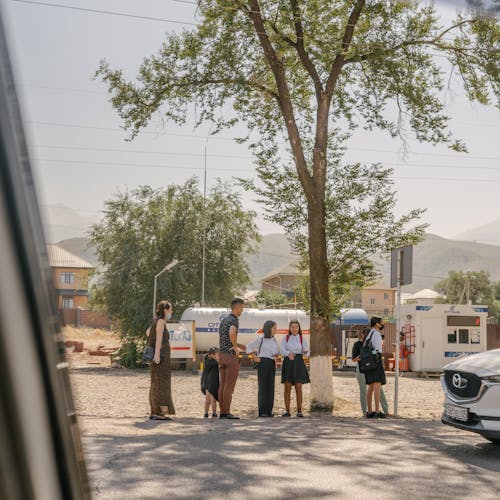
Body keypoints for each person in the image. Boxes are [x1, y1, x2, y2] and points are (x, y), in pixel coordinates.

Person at [218, 297, 247, 419]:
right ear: (236, 307)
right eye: (242, 308)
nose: (242, 310)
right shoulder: (234, 320)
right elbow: (231, 333)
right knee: (229, 386)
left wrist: (239, 345)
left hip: (222, 355)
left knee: (223, 385)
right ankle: (226, 412)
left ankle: (222, 411)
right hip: (231, 357)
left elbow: (226, 338)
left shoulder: (224, 320)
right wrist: (236, 347)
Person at [147, 300, 175, 420]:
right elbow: (158, 339)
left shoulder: (156, 321)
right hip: (161, 357)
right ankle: (159, 412)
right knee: (161, 384)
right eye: (170, 310)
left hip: (158, 357)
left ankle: (154, 411)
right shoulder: (161, 322)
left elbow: (148, 333)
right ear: (165, 310)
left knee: (155, 382)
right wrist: (157, 354)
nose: (171, 312)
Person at [352, 327, 388, 418]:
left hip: (372, 369)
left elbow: (377, 353)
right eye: (366, 335)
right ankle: (366, 411)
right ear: (362, 335)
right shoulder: (357, 344)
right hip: (361, 369)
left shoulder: (371, 344)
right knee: (363, 390)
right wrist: (363, 357)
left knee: (379, 390)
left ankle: (385, 410)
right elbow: (354, 359)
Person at [247, 320, 279, 417]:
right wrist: (255, 356)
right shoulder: (260, 339)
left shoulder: (274, 340)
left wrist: (276, 355)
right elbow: (249, 347)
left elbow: (274, 352)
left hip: (271, 363)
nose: (276, 331)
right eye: (274, 328)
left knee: (270, 387)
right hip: (263, 363)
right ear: (269, 328)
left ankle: (269, 411)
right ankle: (262, 411)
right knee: (263, 387)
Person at [280, 320, 310, 417]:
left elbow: (307, 350)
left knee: (298, 387)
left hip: (298, 363)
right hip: (288, 362)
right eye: (292, 327)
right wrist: (288, 354)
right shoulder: (286, 338)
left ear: (299, 328)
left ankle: (299, 411)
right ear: (289, 328)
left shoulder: (302, 338)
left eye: (296, 327)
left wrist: (307, 353)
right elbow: (282, 349)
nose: (294, 329)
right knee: (287, 387)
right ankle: (287, 411)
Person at [364, 316, 387, 419]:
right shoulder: (376, 334)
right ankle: (377, 411)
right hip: (375, 362)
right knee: (377, 387)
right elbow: (378, 350)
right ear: (377, 324)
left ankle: (369, 411)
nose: (382, 324)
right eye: (381, 322)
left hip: (368, 363)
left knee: (371, 387)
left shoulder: (369, 334)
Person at [201, 347, 219, 418]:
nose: (218, 355)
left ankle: (213, 413)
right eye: (217, 354)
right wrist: (217, 360)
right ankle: (206, 412)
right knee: (208, 399)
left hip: (213, 383)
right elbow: (212, 364)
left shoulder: (213, 361)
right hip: (208, 383)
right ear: (211, 355)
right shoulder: (209, 361)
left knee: (212, 399)